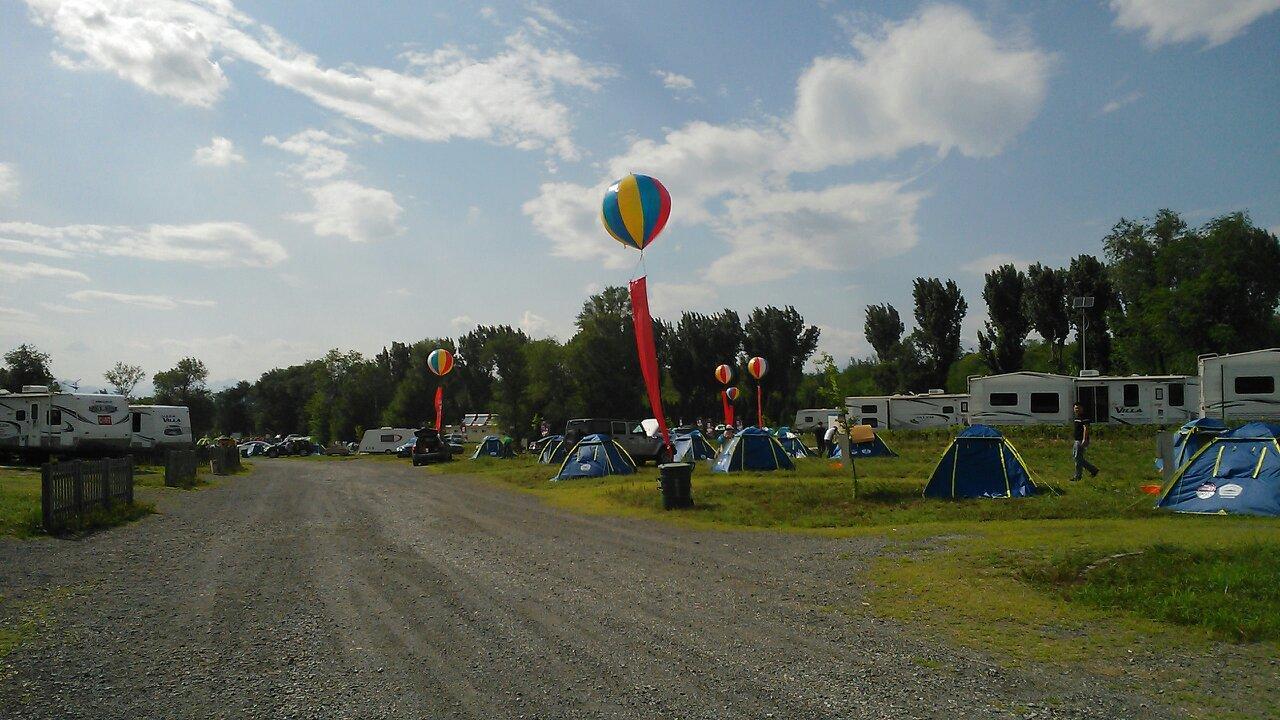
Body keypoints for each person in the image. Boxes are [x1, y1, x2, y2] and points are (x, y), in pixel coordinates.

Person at [1072, 403, 1099, 481]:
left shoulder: (1084, 417)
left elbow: (1086, 428)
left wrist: (1084, 439)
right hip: (1076, 439)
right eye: (1075, 408)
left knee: (1078, 458)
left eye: (1078, 408)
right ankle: (1093, 470)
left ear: (1082, 408)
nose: (1077, 410)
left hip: (1081, 440)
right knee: (1077, 457)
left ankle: (1077, 476)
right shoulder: (1076, 417)